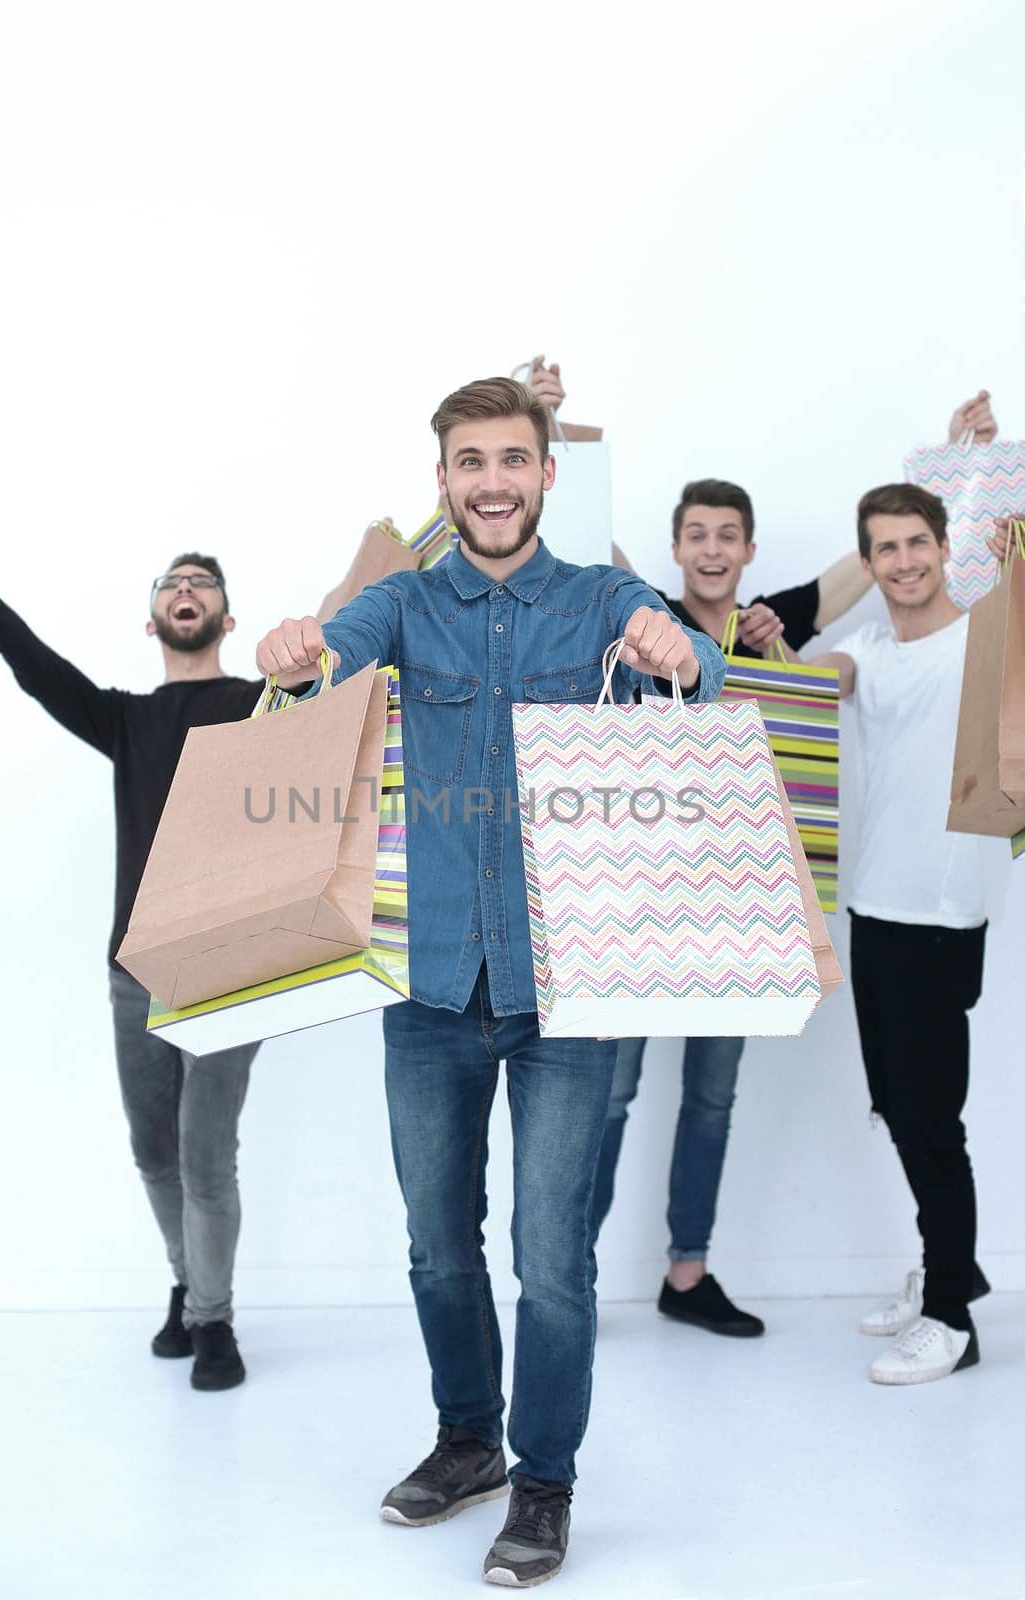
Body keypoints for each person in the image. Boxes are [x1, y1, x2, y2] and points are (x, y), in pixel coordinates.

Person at [254, 375, 725, 1588]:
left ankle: (545, 1478)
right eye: (470, 462)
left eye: (513, 459)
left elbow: (699, 670)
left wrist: (680, 647)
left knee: (551, 1257)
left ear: (547, 473)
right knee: (434, 1244)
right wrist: (299, 653)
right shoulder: (404, 601)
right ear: (446, 478)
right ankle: (467, 1439)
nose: (494, 482)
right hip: (429, 991)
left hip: (569, 993)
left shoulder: (600, 598)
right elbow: (325, 669)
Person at [545, 374, 998, 1340]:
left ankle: (686, 1274)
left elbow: (883, 557)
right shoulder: (640, 611)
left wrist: (952, 464)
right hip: (633, 901)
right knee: (611, 1097)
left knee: (711, 1100)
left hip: (738, 903)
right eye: (696, 535)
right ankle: (568, 1285)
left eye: (728, 536)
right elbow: (582, 534)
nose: (711, 549)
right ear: (677, 550)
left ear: (749, 551)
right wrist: (549, 426)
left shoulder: (778, 624)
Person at [0, 538, 269, 1391]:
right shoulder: (126, 719)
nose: (187, 592)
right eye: (173, 584)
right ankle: (190, 1286)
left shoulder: (265, 705)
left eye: (203, 584)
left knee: (204, 1155)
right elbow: (40, 671)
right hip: (135, 968)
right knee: (153, 1152)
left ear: (228, 616)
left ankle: (214, 1324)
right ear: (150, 619)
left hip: (232, 968)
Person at [813, 465, 1004, 1384]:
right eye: (885, 548)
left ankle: (952, 1322)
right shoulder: (870, 650)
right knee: (897, 1104)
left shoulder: (986, 644)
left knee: (934, 1119)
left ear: (942, 548)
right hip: (873, 905)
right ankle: (945, 1268)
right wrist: (781, 643)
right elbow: (818, 681)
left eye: (917, 542)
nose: (903, 560)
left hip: (939, 911)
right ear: (870, 562)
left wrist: (977, 456)